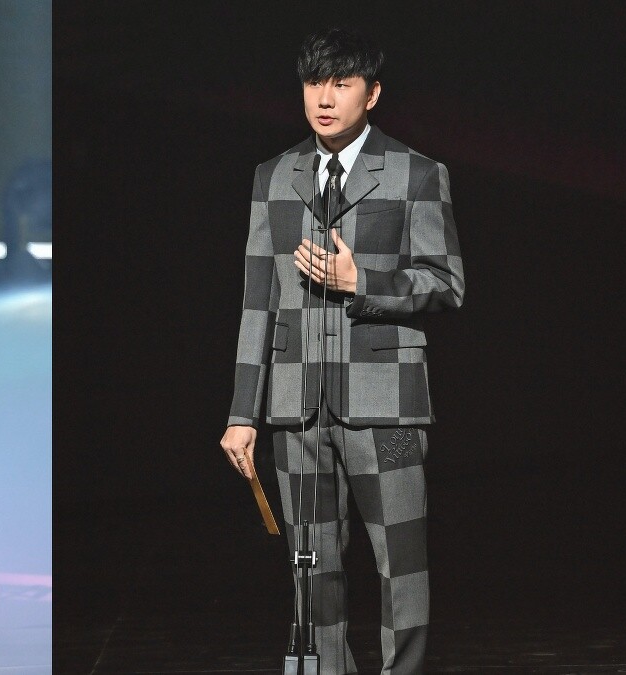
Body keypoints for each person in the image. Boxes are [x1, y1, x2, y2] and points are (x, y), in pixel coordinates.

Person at [218, 27, 464, 674]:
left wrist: (363, 283)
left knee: (400, 565)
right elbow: (257, 301)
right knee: (310, 566)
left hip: (386, 404)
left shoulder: (415, 173)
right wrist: (243, 413)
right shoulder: (274, 177)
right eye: (313, 84)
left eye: (341, 84)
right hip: (296, 407)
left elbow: (446, 284)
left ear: (371, 94)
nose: (324, 99)